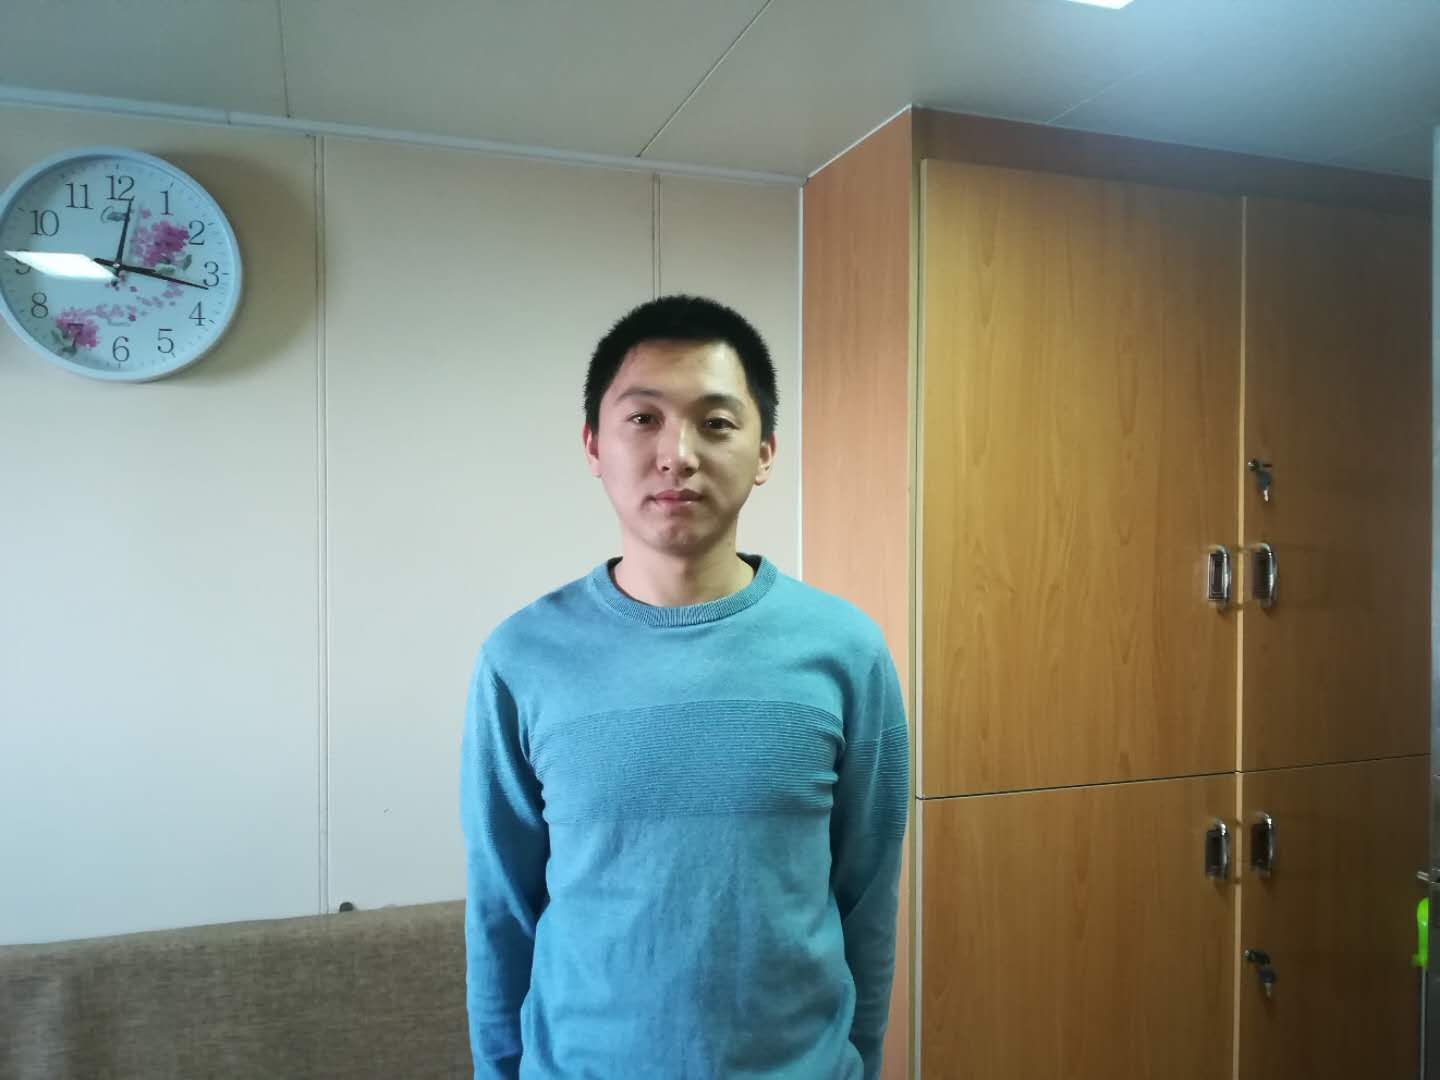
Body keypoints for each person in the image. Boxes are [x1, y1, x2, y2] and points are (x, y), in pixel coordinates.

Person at [459, 294, 910, 1079]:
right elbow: (503, 911)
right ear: (593, 445)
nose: (677, 454)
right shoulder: (521, 659)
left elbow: (866, 903)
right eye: (644, 419)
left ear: (765, 451)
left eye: (717, 422)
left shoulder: (846, 651)